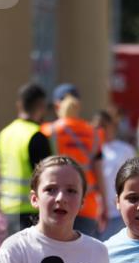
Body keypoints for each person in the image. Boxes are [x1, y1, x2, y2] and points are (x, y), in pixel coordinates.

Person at [42, 87, 108, 238]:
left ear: (57, 106)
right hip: (87, 203)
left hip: (57, 203)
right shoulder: (94, 133)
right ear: (79, 106)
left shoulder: (48, 131)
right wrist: (104, 203)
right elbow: (99, 171)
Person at [0, 83, 52, 235]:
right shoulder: (36, 135)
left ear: (19, 105)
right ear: (41, 106)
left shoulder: (5, 133)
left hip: (7, 208)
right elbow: (47, 177)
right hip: (30, 210)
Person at [94, 109, 135, 239]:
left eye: (104, 126)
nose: (101, 130)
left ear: (112, 126)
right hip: (94, 211)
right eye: (97, 127)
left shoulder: (125, 149)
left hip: (117, 212)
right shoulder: (91, 149)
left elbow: (133, 179)